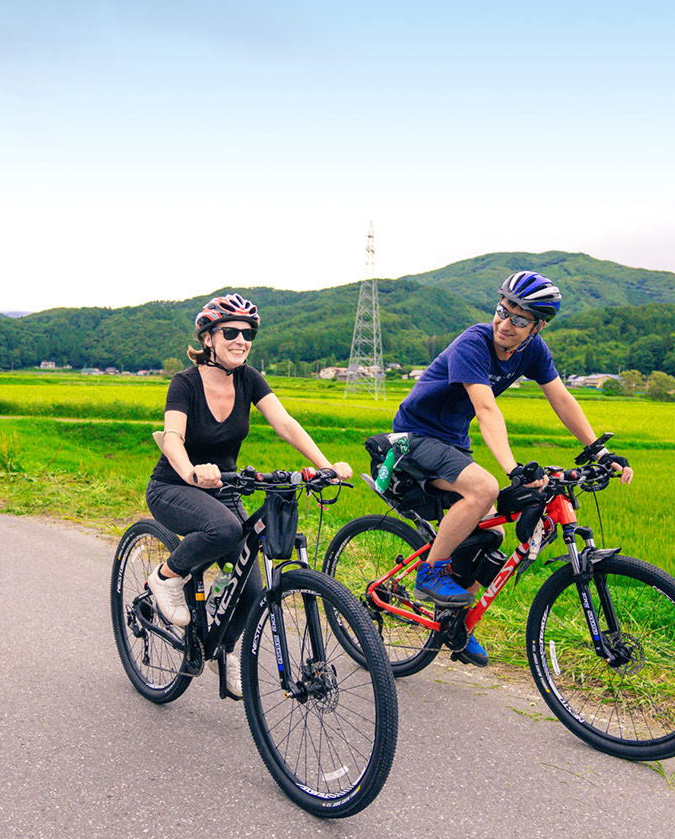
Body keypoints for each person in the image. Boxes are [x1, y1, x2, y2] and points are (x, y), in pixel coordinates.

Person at [389, 271, 633, 665]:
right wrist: (512, 468)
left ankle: (455, 623)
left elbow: (561, 398)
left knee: (492, 532)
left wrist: (597, 451)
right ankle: (429, 573)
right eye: (502, 311)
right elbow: (486, 409)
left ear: (537, 327)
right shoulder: (473, 343)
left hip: (452, 441)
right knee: (484, 489)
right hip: (415, 436)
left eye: (519, 319)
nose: (505, 323)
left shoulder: (533, 351)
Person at [145, 293, 354, 695]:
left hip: (224, 488)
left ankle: (223, 651)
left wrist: (325, 466)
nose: (241, 340)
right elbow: (172, 437)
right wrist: (191, 470)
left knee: (252, 587)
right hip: (174, 486)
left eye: (248, 334)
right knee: (224, 530)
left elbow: (285, 424)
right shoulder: (185, 383)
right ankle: (166, 577)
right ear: (208, 338)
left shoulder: (249, 379)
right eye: (230, 332)